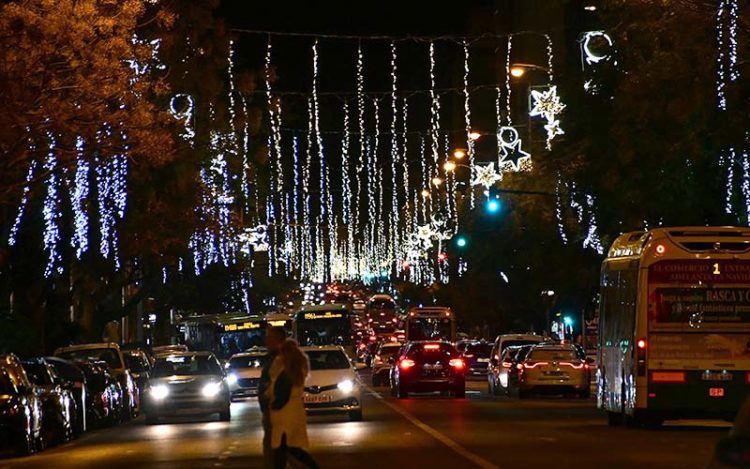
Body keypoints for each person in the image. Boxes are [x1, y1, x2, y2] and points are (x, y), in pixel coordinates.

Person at [268, 339, 319, 469]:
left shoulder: (285, 373)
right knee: (292, 447)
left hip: (284, 414)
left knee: (281, 449)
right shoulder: (298, 370)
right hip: (295, 412)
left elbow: (281, 395)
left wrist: (273, 405)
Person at [259, 326, 286, 469]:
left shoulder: (280, 359)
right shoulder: (272, 358)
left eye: (270, 337)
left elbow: (279, 384)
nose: (266, 341)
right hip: (272, 409)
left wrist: (274, 405)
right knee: (275, 449)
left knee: (277, 448)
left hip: (277, 411)